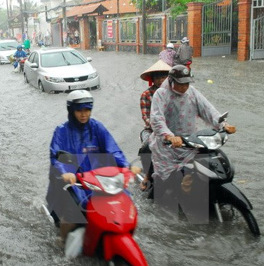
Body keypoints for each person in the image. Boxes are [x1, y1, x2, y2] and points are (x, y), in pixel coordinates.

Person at [46, 90, 132, 241]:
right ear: (71, 111)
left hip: (97, 179)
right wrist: (65, 172)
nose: (83, 114)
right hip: (74, 181)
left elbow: (113, 150)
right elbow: (57, 157)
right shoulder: (62, 131)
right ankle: (63, 242)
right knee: (73, 216)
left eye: (87, 110)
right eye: (79, 110)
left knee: (123, 203)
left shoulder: (97, 127)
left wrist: (125, 166)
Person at [148, 65, 236, 199]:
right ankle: (156, 200)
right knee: (163, 181)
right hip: (167, 145)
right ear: (171, 81)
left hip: (189, 142)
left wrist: (223, 124)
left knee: (206, 165)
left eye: (186, 83)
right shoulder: (161, 94)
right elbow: (156, 119)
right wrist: (170, 136)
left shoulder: (192, 92)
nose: (184, 87)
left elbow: (208, 110)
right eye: (180, 84)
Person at [138, 60, 171, 191]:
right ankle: (147, 177)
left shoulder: (174, 93)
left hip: (173, 129)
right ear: (153, 79)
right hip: (152, 130)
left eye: (164, 77)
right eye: (158, 77)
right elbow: (146, 117)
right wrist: (161, 128)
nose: (161, 80)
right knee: (148, 148)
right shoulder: (146, 95)